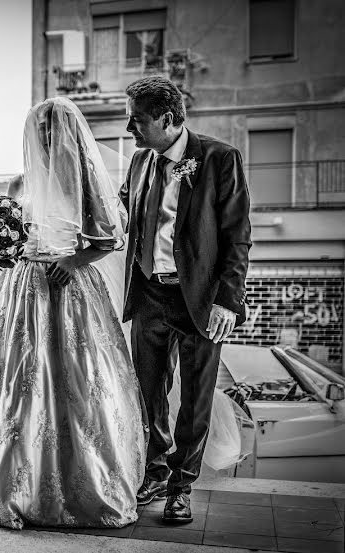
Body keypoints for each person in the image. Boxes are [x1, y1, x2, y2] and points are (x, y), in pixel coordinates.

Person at [0, 97, 146, 529]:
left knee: (73, 382)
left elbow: (111, 238)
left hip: (67, 290)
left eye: (52, 131)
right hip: (20, 293)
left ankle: (74, 483)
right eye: (40, 131)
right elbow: (15, 235)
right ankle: (10, 480)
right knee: (14, 381)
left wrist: (73, 262)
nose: (45, 139)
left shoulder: (86, 182)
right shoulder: (21, 183)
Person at [120, 76, 252, 523]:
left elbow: (237, 239)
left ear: (168, 118)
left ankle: (182, 485)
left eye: (137, 120)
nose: (129, 129)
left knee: (195, 400)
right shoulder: (139, 162)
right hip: (150, 295)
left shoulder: (219, 159)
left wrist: (227, 302)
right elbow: (121, 215)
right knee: (148, 394)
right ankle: (154, 471)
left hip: (199, 300)